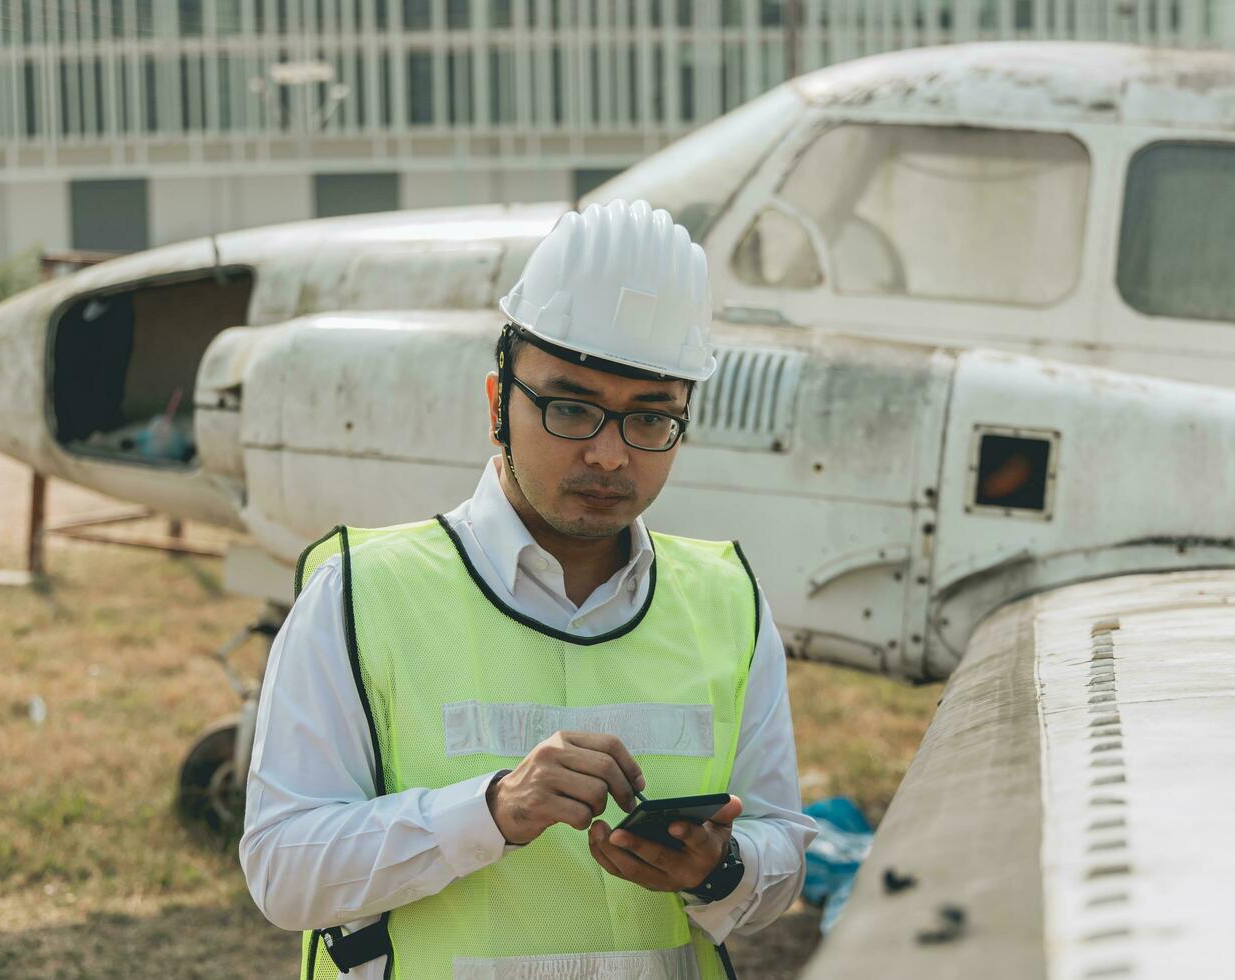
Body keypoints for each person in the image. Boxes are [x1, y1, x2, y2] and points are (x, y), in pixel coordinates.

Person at [241, 199, 816, 979]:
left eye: (651, 419)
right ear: (497, 405)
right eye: (571, 407)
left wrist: (721, 869)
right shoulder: (361, 594)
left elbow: (781, 856)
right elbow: (282, 872)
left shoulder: (727, 603)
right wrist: (488, 812)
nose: (611, 456)